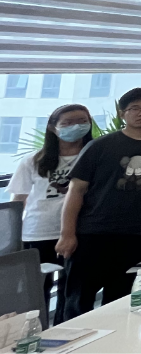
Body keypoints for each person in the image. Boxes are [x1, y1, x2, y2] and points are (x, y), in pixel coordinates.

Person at [57, 87, 141, 320]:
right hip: (93, 231)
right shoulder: (101, 145)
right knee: (79, 298)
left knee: (121, 298)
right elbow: (76, 189)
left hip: (137, 233)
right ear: (122, 113)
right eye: (134, 108)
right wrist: (67, 233)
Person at [9, 104, 92, 324]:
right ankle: (36, 333)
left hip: (80, 231)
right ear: (53, 128)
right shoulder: (33, 160)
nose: (76, 127)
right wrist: (12, 238)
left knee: (71, 289)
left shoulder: (95, 156)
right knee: (36, 290)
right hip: (38, 232)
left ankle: (65, 331)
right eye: (67, 123)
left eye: (82, 121)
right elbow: (18, 200)